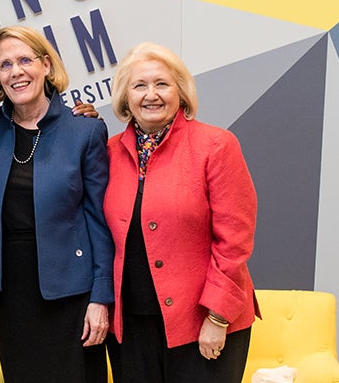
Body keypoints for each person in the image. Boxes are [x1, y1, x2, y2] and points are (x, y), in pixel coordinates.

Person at [103, 42, 260, 382]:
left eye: (162, 84)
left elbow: (234, 241)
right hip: (131, 328)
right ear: (124, 97)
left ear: (181, 92)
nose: (151, 95)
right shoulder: (109, 152)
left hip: (202, 324)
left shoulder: (216, 145)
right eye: (139, 85)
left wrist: (217, 318)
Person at [0, 25, 115, 382]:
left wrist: (101, 298)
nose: (16, 71)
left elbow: (100, 220)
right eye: (5, 64)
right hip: (10, 293)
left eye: (25, 60)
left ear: (46, 66)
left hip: (72, 292)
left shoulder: (84, 130)